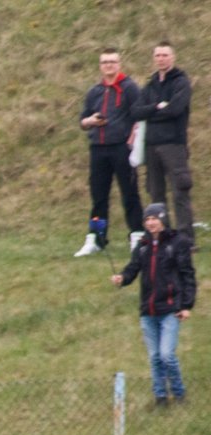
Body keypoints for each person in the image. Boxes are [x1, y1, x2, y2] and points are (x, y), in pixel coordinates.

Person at [114, 203, 195, 407]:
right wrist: (122, 278)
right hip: (148, 310)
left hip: (170, 309)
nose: (150, 223)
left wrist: (186, 305)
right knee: (155, 357)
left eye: (154, 218)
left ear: (163, 219)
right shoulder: (143, 245)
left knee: (167, 355)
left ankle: (179, 394)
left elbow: (187, 275)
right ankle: (160, 397)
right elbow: (133, 268)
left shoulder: (178, 243)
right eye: (147, 219)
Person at [76, 48, 144, 257]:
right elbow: (83, 121)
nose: (108, 65)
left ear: (119, 64)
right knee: (99, 197)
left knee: (129, 193)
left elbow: (139, 115)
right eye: (105, 62)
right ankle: (96, 237)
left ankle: (137, 235)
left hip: (121, 147)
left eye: (112, 61)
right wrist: (90, 121)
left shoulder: (129, 88)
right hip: (98, 147)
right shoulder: (94, 91)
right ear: (100, 66)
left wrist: (132, 139)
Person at [130, 42, 194, 245]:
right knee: (156, 195)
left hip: (173, 145)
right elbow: (135, 111)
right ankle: (161, 239)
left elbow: (175, 110)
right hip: (151, 146)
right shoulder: (150, 85)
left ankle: (185, 240)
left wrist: (151, 112)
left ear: (172, 57)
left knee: (180, 192)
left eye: (165, 55)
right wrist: (157, 108)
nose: (161, 59)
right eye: (157, 55)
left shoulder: (181, 82)